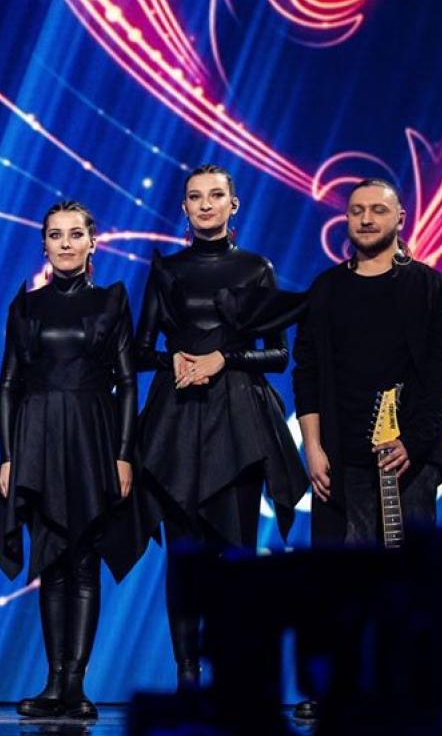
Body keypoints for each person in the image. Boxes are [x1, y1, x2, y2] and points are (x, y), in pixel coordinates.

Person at [131, 164, 308, 691]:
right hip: (176, 419)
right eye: (195, 196)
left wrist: (224, 359)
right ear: (183, 207)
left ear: (234, 205)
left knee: (236, 552)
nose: (205, 204)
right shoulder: (168, 270)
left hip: (238, 421)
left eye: (215, 195)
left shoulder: (256, 268)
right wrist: (174, 360)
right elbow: (139, 350)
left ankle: (238, 681)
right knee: (184, 558)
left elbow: (278, 355)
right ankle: (187, 678)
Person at [289, 178, 442, 722]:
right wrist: (313, 448)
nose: (366, 219)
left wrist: (414, 439)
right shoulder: (325, 290)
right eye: (357, 210)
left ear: (399, 218)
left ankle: (409, 686)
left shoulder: (427, 286)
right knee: (338, 581)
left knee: (407, 578)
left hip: (409, 455)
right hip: (339, 457)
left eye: (377, 210)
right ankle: (335, 687)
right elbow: (306, 373)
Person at [0, 201, 137, 720]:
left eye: (75, 234)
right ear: (44, 244)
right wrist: (9, 458)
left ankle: (77, 685)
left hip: (93, 438)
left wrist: (123, 455)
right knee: (50, 560)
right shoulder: (25, 306)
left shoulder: (112, 300)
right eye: (56, 235)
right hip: (37, 440)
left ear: (93, 242)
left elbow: (127, 383)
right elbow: (8, 385)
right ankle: (53, 683)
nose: (66, 243)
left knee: (84, 559)